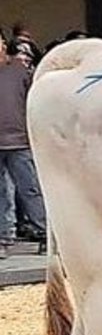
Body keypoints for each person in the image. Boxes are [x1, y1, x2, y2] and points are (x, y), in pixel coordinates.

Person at [0, 32, 46, 257]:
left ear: (3, 44)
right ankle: (4, 237)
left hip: (19, 140)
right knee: (2, 193)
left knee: (31, 189)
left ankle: (44, 232)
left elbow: (34, 100)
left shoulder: (20, 71)